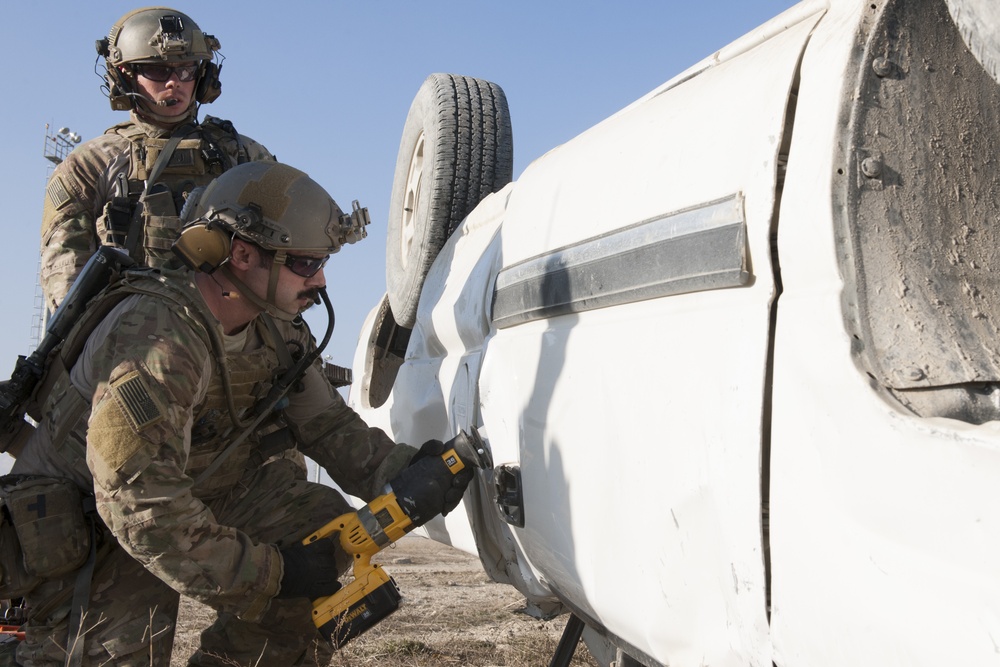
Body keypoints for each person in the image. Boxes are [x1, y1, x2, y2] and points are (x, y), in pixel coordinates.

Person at [9, 161, 473, 666]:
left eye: (322, 262)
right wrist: (273, 575)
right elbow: (140, 510)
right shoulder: (158, 341)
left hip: (193, 495)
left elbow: (327, 426)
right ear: (242, 254)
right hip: (99, 524)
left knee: (317, 530)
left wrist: (401, 471)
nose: (319, 280)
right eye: (303, 263)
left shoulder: (277, 328)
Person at [40, 6, 275, 314]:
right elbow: (67, 278)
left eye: (186, 69)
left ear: (203, 76)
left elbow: (286, 256)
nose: (173, 82)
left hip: (235, 334)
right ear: (124, 76)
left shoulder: (246, 157)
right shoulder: (90, 165)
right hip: (133, 336)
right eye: (157, 70)